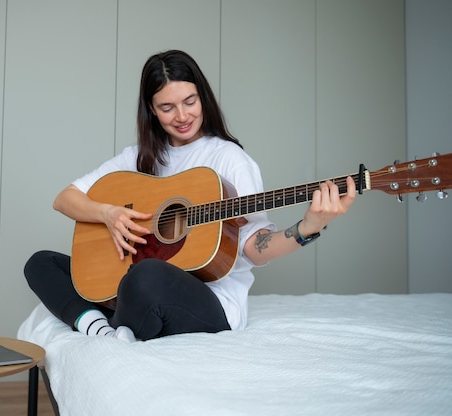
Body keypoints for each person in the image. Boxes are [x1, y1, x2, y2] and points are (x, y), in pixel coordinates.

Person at [24, 50, 355, 342]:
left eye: (189, 102)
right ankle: (99, 325)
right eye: (167, 107)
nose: (182, 116)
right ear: (151, 110)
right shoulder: (139, 157)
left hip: (210, 301)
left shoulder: (230, 160)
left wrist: (307, 228)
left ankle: (116, 317)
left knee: (147, 274)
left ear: (203, 98)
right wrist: (108, 214)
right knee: (41, 264)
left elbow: (254, 249)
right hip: (133, 284)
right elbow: (65, 198)